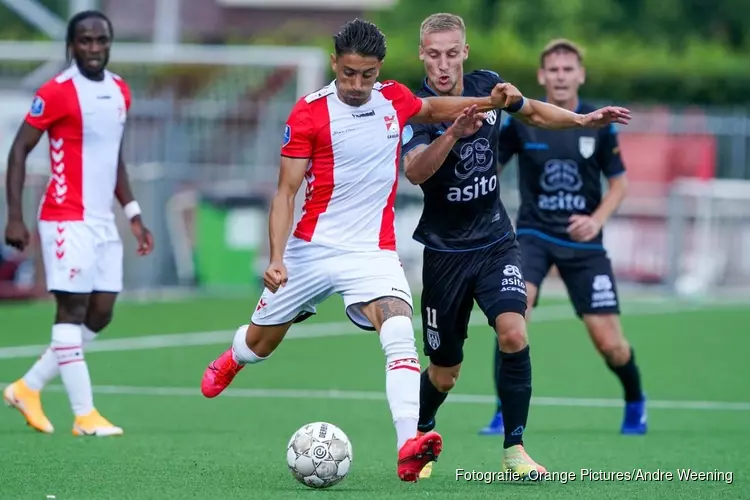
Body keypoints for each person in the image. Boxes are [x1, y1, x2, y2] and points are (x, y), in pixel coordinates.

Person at [199, 18, 545, 483]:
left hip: (372, 252)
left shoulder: (393, 99)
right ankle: (234, 356)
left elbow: (435, 105)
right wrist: (277, 257)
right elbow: (285, 193)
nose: (357, 85)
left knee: (399, 329)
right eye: (348, 74)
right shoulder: (308, 113)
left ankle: (409, 445)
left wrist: (490, 103)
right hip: (311, 250)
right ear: (333, 65)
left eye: (367, 74)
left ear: (379, 69)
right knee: (262, 343)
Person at [400, 14, 631, 480]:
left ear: (464, 52)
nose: (444, 64)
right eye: (434, 54)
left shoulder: (488, 87)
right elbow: (415, 171)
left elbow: (535, 112)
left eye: (452, 53)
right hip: (444, 253)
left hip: (495, 242)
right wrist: (453, 133)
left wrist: (582, 119)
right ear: (422, 55)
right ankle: (422, 433)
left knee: (514, 329)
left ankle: (514, 450)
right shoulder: (415, 106)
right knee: (444, 372)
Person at [479, 38, 646, 437]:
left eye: (568, 69)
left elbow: (620, 185)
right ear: (542, 76)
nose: (560, 76)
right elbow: (490, 171)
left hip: (584, 245)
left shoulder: (598, 121)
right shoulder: (525, 118)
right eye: (553, 70)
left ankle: (636, 401)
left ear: (580, 75)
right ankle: (504, 410)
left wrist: (596, 219)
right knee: (514, 316)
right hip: (533, 236)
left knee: (611, 344)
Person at [2, 10, 154, 437]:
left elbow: (114, 159)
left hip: (103, 222)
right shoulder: (55, 93)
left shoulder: (120, 91)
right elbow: (18, 152)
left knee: (101, 313)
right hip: (65, 218)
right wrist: (14, 215)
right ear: (71, 46)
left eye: (100, 40)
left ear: (109, 43)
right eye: (84, 41)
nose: (93, 48)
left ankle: (27, 387)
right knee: (70, 310)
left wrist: (134, 214)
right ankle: (84, 415)